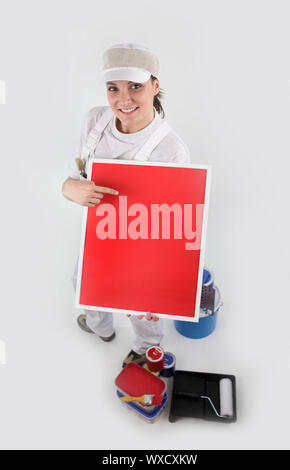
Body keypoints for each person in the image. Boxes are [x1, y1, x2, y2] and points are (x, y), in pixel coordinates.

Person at [61, 43, 191, 368]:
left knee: (140, 304)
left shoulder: (172, 150)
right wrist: (68, 187)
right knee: (83, 283)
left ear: (155, 86)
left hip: (143, 242)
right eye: (113, 88)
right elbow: (76, 174)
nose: (123, 100)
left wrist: (156, 279)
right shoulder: (94, 121)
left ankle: (147, 346)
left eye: (135, 86)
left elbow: (175, 224)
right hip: (99, 231)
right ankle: (100, 327)